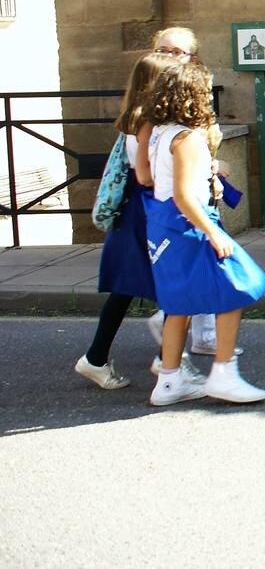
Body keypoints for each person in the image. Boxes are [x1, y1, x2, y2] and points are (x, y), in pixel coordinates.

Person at [144, 60, 265, 405]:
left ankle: (169, 382)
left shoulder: (161, 132)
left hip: (164, 227)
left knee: (178, 306)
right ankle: (224, 374)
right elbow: (184, 194)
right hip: (191, 227)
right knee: (235, 289)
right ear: (193, 94)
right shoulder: (186, 138)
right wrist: (214, 235)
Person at [73, 51, 179, 390]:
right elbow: (147, 175)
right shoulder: (148, 121)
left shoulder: (136, 117)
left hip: (137, 207)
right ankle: (167, 363)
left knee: (132, 287)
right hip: (145, 206)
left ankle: (101, 357)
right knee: (167, 280)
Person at [143, 27, 234, 358]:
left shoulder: (178, 125)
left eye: (177, 52)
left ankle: (176, 365)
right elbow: (161, 180)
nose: (170, 57)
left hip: (184, 207)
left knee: (192, 283)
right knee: (211, 283)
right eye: (164, 50)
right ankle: (184, 367)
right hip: (182, 214)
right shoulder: (173, 130)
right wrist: (211, 230)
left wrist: (211, 170)